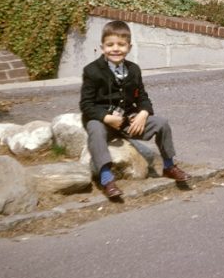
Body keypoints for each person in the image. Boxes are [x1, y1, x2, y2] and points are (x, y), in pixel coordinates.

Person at [79, 20, 190, 200]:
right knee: (94, 128)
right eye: (110, 45)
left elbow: (143, 98)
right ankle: (107, 178)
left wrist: (143, 113)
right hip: (104, 122)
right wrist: (107, 118)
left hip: (128, 122)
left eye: (121, 45)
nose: (115, 49)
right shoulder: (92, 71)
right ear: (102, 47)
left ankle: (169, 166)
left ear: (129, 47)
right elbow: (86, 105)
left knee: (161, 123)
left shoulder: (134, 70)